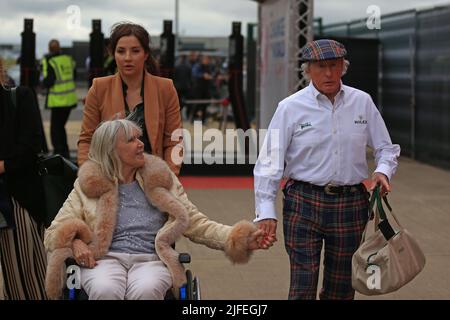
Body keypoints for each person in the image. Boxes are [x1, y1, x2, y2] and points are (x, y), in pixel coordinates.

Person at [44, 119, 275, 300]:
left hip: (151, 259)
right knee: (105, 290)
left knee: (147, 290)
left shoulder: (161, 179)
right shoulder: (88, 185)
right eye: (131, 140)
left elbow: (196, 223)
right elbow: (53, 233)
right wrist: (75, 242)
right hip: (104, 260)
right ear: (111, 149)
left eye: (139, 138)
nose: (141, 144)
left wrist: (239, 238)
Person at [253, 39, 401, 300]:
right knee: (302, 285)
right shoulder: (290, 107)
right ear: (307, 70)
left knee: (342, 287)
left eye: (334, 66)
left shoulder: (362, 102)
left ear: (343, 67)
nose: (329, 73)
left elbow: (386, 149)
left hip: (351, 204)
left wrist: (383, 171)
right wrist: (266, 212)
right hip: (303, 202)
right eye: (321, 67)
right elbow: (269, 162)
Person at [78, 22, 183, 175]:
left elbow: (174, 141)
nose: (127, 58)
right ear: (113, 54)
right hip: (111, 181)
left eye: (135, 51)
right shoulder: (98, 88)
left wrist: (168, 178)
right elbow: (87, 140)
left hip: (154, 181)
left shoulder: (165, 88)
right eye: (121, 51)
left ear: (146, 54)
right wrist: (91, 178)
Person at [0, 57, 48, 300]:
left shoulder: (19, 97)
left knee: (26, 277)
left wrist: (3, 165)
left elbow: (31, 145)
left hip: (15, 199)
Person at [41, 39, 78, 159]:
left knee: (55, 129)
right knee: (61, 127)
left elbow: (48, 82)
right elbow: (75, 75)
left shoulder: (50, 61)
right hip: (70, 100)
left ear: (49, 49)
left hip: (58, 101)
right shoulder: (68, 59)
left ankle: (58, 154)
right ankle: (64, 152)